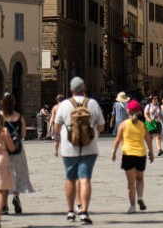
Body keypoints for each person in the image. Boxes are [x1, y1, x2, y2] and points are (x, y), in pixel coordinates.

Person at [53, 77, 106, 225]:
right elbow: (102, 127)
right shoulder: (92, 103)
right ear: (84, 89)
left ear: (71, 90)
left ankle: (70, 211)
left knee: (70, 178)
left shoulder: (64, 105)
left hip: (69, 147)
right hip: (90, 147)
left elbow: (56, 128)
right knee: (85, 179)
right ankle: (84, 212)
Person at [111, 99, 154, 213]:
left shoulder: (123, 124)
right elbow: (149, 141)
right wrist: (151, 153)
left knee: (130, 183)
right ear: (139, 112)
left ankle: (132, 206)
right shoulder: (142, 125)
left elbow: (117, 140)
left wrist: (114, 152)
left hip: (128, 154)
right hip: (140, 154)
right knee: (140, 179)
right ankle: (140, 197)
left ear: (128, 110)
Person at [1, 93, 33, 215]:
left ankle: (4, 206)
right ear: (14, 103)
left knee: (5, 176)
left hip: (3, 150)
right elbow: (23, 134)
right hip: (18, 150)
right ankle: (16, 196)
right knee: (17, 174)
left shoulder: (0, 116)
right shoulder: (19, 117)